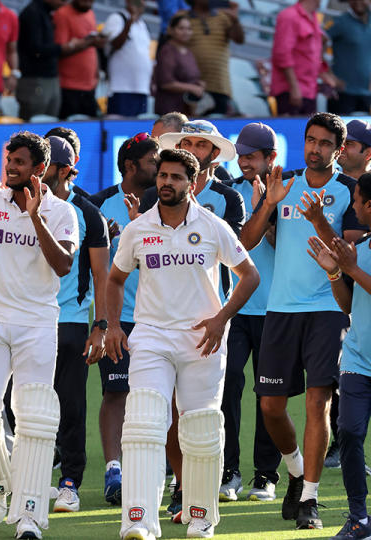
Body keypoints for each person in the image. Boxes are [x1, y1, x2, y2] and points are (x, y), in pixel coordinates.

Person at [107, 148, 260, 540]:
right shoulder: (138, 229)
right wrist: (111, 326)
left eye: (176, 177)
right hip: (152, 337)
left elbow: (249, 276)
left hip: (201, 340)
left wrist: (221, 319)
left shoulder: (212, 225)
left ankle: (200, 516)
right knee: (143, 423)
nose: (167, 183)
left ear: (191, 184)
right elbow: (115, 278)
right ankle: (139, 520)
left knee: (200, 430)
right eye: (163, 176)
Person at [242, 112, 368, 530]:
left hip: (328, 308)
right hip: (280, 308)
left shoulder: (349, 190)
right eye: (310, 141)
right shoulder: (286, 183)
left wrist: (318, 222)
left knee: (318, 401)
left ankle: (310, 498)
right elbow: (246, 241)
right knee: (270, 406)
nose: (314, 149)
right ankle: (295, 469)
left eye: (324, 143)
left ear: (340, 149)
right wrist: (271, 204)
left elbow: (348, 257)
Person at [0, 133, 77, 539]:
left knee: (34, 422)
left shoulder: (62, 213)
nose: (10, 168)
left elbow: (61, 266)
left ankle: (28, 515)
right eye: (9, 160)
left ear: (40, 170)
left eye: (20, 162)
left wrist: (35, 216)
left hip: (37, 324)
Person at [89, 133, 160, 506]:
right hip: (121, 319)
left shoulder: (169, 202)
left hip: (162, 319)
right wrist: (103, 323)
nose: (160, 168)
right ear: (131, 166)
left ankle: (160, 467)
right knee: (116, 392)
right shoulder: (98, 206)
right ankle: (114, 469)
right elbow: (92, 272)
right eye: (153, 162)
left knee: (163, 397)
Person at [216, 122, 283, 502]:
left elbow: (276, 243)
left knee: (268, 396)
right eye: (241, 155)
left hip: (275, 307)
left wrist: (269, 206)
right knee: (227, 387)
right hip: (236, 306)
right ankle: (230, 470)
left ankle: (265, 475)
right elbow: (238, 245)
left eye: (251, 155)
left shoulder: (285, 191)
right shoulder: (231, 194)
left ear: (270, 157)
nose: (244, 161)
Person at [44, 132, 110, 513]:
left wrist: (100, 326)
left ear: (65, 170)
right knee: (15, 403)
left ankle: (70, 481)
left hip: (69, 320)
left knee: (70, 406)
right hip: (25, 318)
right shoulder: (18, 203)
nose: (38, 171)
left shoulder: (87, 213)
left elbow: (102, 275)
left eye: (46, 165)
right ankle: (35, 475)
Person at [306, 173, 371, 540]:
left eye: (357, 200)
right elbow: (348, 304)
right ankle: (359, 518)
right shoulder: (360, 247)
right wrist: (334, 273)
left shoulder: (357, 256)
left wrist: (349, 268)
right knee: (348, 432)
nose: (354, 206)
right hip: (358, 362)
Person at [269, 0, 340, 116]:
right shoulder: (289, 16)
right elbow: (282, 54)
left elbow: (313, 55)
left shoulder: (313, 17)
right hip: (291, 92)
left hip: (309, 91)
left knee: (309, 132)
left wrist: (324, 76)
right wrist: (294, 87)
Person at [184, 0, 244, 115]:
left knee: (217, 130)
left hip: (219, 85)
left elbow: (239, 39)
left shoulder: (224, 17)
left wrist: (235, 19)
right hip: (192, 86)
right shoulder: (182, 18)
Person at [54, 0, 107, 118]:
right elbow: (60, 49)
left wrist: (96, 72)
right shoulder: (62, 14)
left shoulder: (90, 13)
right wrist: (88, 42)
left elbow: (92, 48)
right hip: (69, 86)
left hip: (90, 86)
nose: (88, 3)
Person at [16, 0, 64, 120]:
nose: (65, 2)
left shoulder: (48, 12)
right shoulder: (32, 13)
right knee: (33, 128)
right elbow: (35, 49)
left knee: (50, 126)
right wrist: (63, 48)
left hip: (49, 78)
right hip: (34, 80)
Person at [102, 0, 152, 117]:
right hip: (121, 88)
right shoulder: (117, 18)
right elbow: (115, 44)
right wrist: (129, 23)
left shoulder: (142, 24)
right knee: (119, 130)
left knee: (140, 132)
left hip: (141, 88)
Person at [153, 14, 206, 117]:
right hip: (170, 111)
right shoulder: (167, 51)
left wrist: (198, 84)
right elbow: (166, 83)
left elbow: (189, 76)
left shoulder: (189, 52)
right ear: (171, 30)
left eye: (189, 29)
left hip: (188, 109)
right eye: (181, 28)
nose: (186, 32)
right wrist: (192, 88)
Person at [326, 0, 371, 115]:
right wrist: (328, 73)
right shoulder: (340, 21)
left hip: (368, 94)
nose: (358, 2)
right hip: (343, 94)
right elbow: (317, 42)